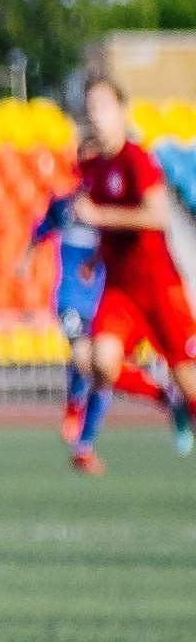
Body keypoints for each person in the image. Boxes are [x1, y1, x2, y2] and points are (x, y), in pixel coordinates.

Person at [68, 76, 196, 475]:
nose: (97, 116)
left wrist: (98, 216)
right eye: (91, 108)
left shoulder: (138, 160)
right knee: (96, 362)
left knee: (191, 382)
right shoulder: (91, 166)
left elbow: (156, 216)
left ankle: (181, 401)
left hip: (160, 288)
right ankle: (166, 399)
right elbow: (104, 227)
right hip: (121, 290)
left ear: (122, 112)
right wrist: (93, 257)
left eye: (104, 107)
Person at [20, 182, 187, 450]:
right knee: (83, 358)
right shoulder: (64, 207)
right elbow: (39, 231)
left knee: (104, 368)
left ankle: (159, 401)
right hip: (71, 301)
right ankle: (75, 410)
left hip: (106, 302)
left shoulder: (114, 213)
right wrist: (25, 262)